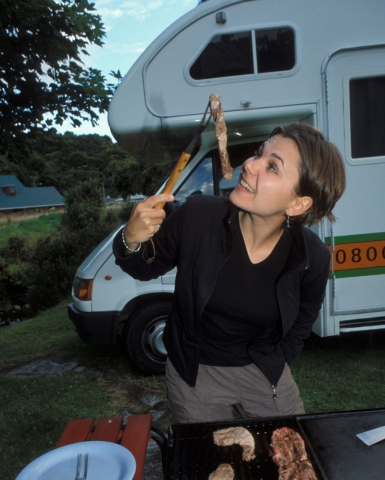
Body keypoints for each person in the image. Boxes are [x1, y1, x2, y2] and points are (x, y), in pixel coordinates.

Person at [113, 123, 346, 424]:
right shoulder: (199, 217)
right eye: (259, 154)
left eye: (272, 167)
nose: (249, 164)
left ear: (297, 204)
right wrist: (130, 239)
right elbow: (145, 267)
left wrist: (281, 356)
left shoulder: (310, 256)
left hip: (264, 370)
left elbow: (304, 316)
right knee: (207, 461)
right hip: (195, 373)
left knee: (290, 452)